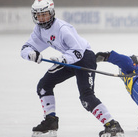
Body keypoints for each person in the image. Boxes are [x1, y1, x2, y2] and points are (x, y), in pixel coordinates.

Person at [20, 0, 124, 137]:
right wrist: (31, 54)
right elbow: (26, 48)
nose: (42, 19)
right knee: (44, 85)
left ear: (51, 13)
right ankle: (50, 121)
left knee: (86, 97)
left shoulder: (63, 29)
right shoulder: (39, 30)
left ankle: (113, 125)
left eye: (44, 15)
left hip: (84, 58)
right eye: (38, 15)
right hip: (67, 59)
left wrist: (64, 60)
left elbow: (78, 51)